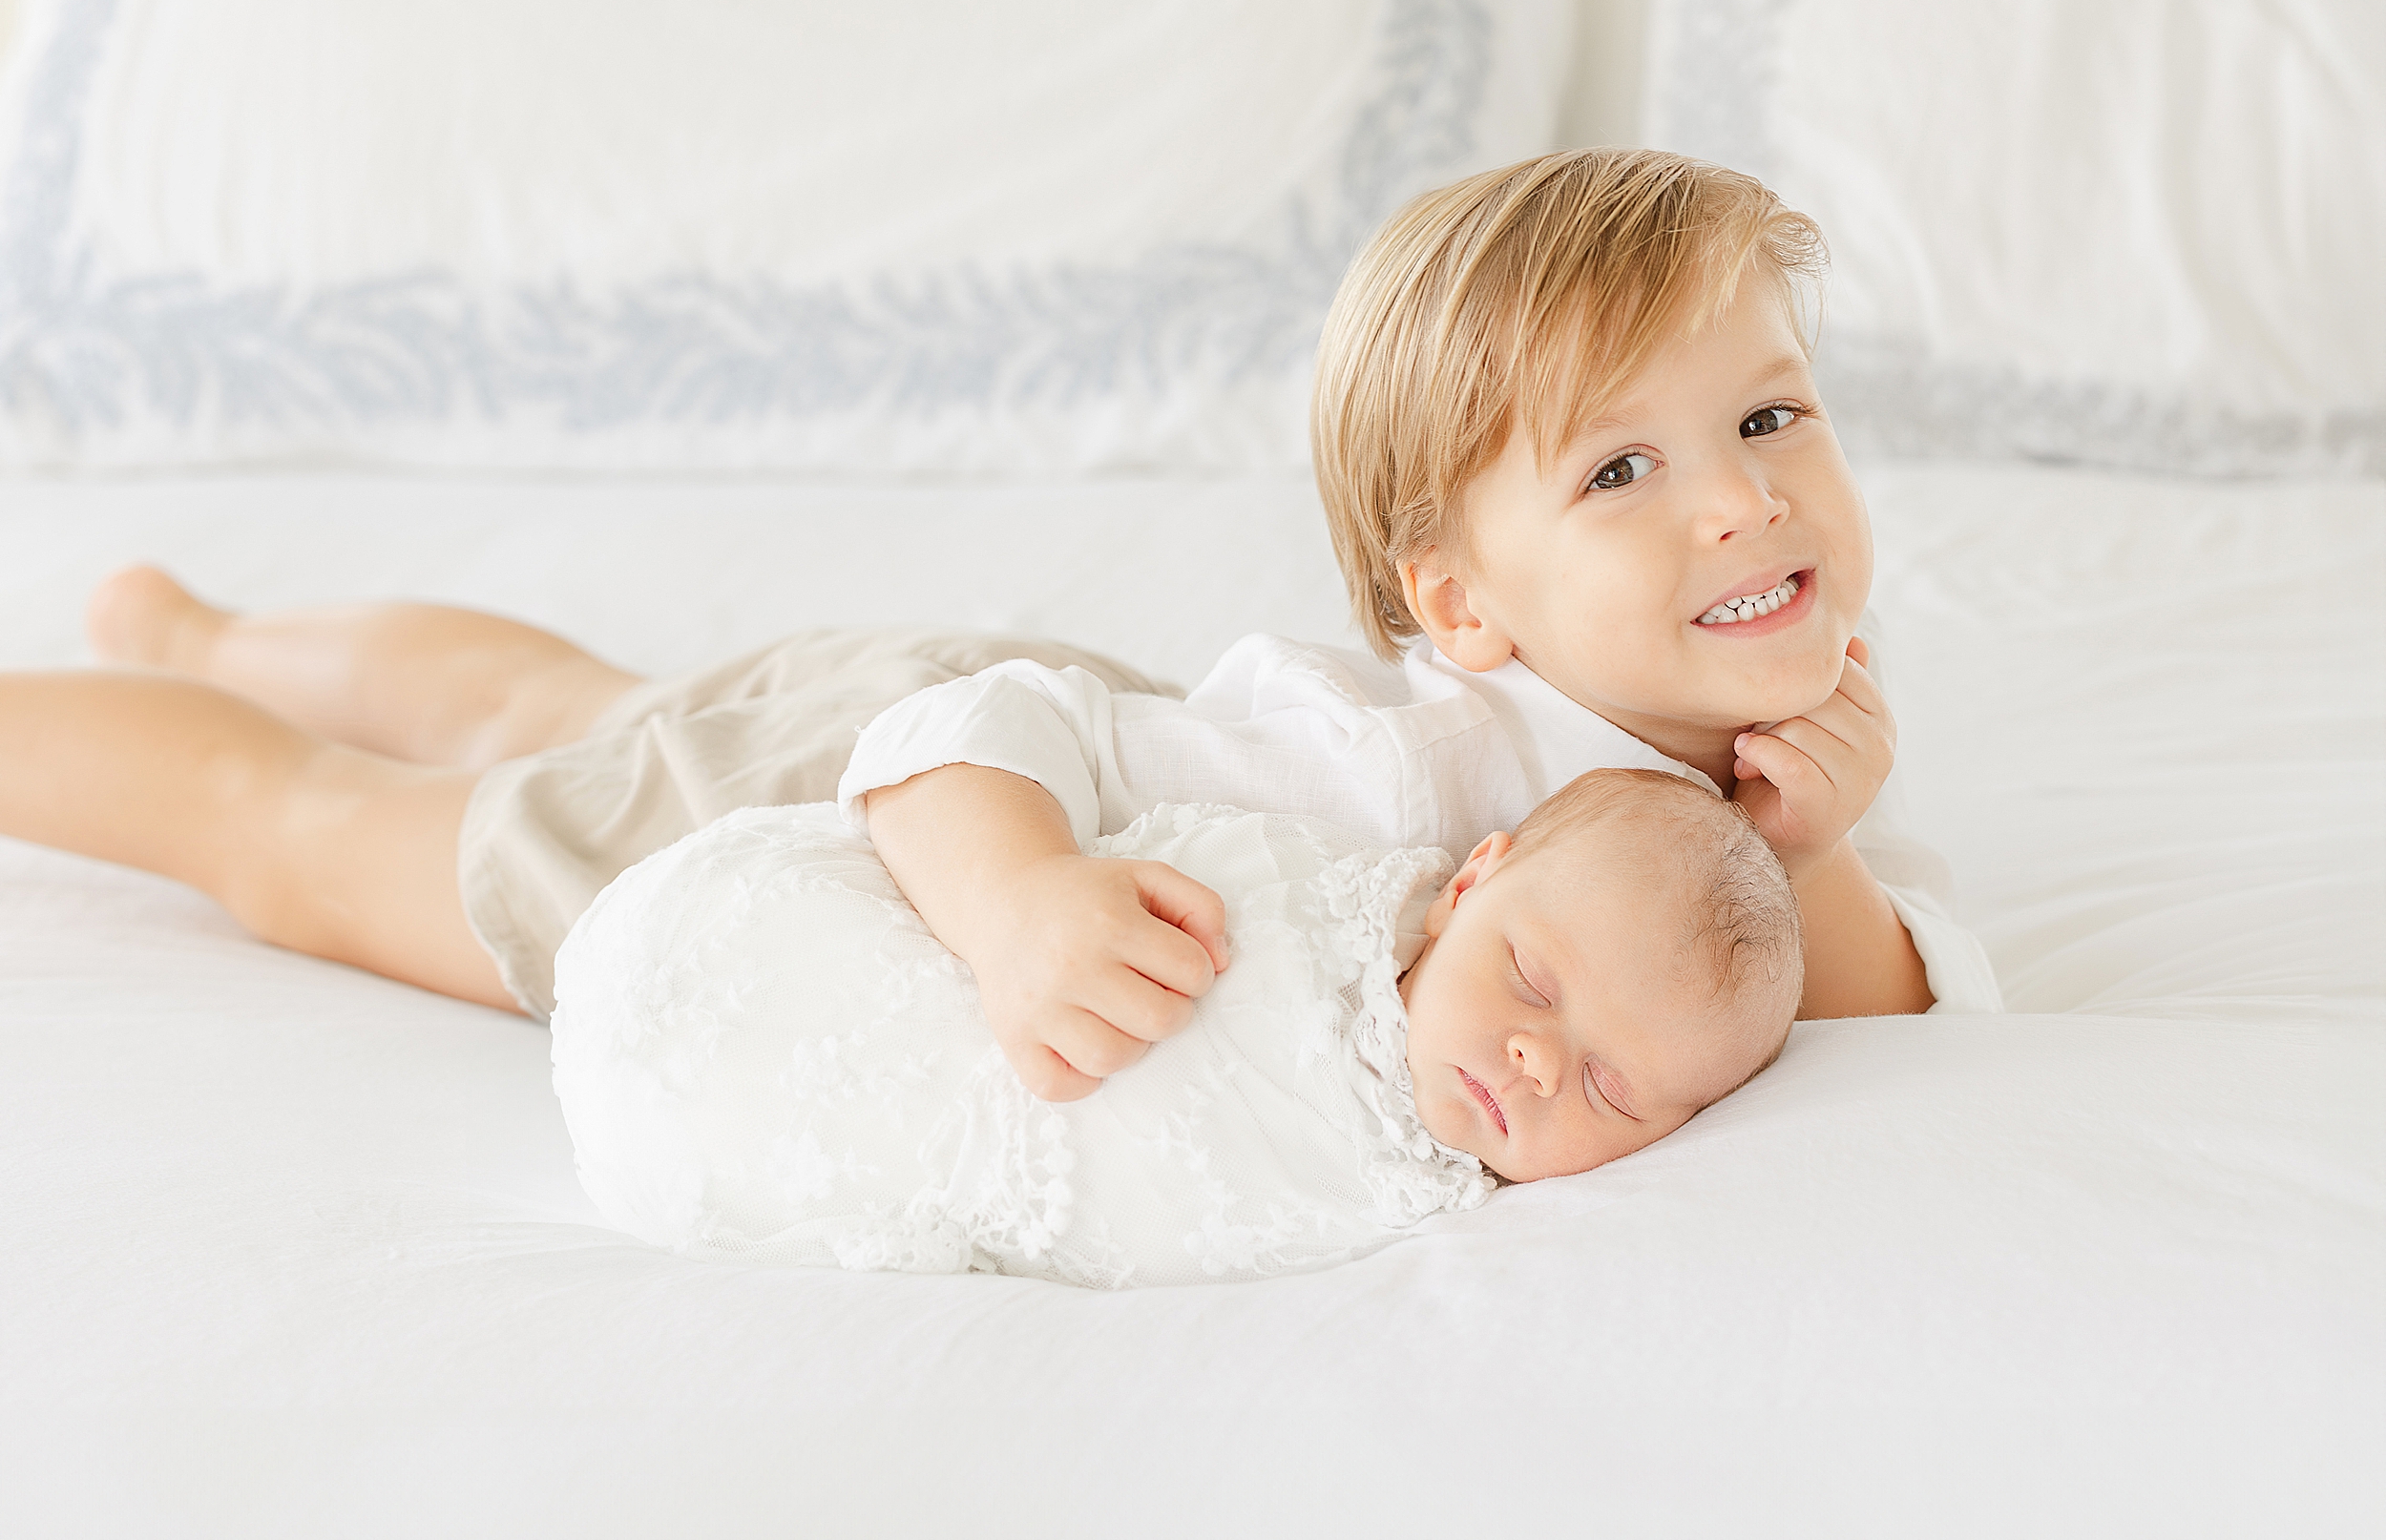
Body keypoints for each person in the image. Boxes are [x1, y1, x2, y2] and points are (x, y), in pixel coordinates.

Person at [0, 147, 1998, 1100]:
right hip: (898, 782)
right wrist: (1023, 902)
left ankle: (195, 626)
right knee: (314, 847)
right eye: (1618, 471)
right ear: (1460, 606)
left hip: (987, 722)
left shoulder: (1755, 688)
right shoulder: (1392, 765)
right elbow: (937, 746)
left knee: (565, 696)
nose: (1741, 496)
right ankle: (176, 687)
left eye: (1765, 417)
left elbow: (1900, 1011)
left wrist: (1800, 842)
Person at [553, 770, 1801, 1287]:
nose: (1536, 1058)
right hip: (832, 925)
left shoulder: (1428, 1222)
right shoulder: (1296, 885)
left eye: (1613, 1091)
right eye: (1528, 977)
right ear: (1471, 884)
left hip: (789, 1168)